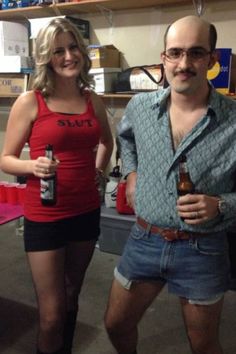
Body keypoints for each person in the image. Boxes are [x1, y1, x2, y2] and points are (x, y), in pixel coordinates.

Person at [104, 15, 236, 354]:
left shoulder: (233, 121)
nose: (184, 63)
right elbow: (127, 140)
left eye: (195, 53)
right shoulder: (141, 107)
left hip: (202, 248)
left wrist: (221, 205)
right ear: (163, 58)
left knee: (203, 344)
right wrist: (132, 173)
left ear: (212, 60)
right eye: (175, 53)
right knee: (115, 324)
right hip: (144, 239)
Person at [0, 18, 113, 354]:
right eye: (58, 50)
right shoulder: (31, 101)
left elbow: (106, 141)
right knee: (50, 315)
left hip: (85, 211)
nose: (68, 56)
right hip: (45, 216)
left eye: (73, 47)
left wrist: (98, 171)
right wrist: (32, 166)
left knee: (71, 296)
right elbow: (5, 158)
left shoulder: (92, 100)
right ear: (47, 57)